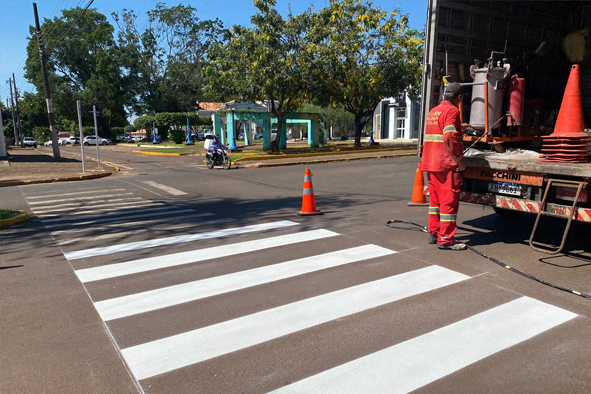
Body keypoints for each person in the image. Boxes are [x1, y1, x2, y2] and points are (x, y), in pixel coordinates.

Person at [421, 82, 467, 251]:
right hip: (445, 164)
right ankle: (446, 239)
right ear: (459, 98)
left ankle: (434, 233)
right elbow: (449, 137)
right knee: (448, 201)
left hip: (431, 162)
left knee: (435, 201)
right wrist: (459, 159)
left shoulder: (433, 111)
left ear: (443, 95)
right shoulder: (453, 111)